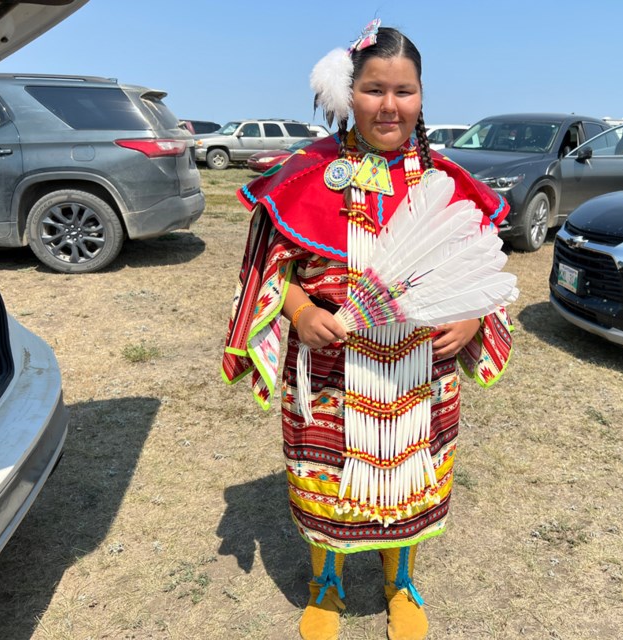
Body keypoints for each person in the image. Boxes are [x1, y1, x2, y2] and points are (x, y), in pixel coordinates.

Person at [221, 20, 515, 640]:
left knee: (412, 474)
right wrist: (301, 312)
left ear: (421, 97)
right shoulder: (305, 174)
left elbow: (483, 269)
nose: (389, 105)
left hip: (420, 372)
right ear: (347, 93)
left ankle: (399, 580)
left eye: (404, 91)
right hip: (330, 367)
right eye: (375, 89)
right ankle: (325, 583)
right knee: (326, 478)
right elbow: (272, 270)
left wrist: (470, 318)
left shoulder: (447, 182)